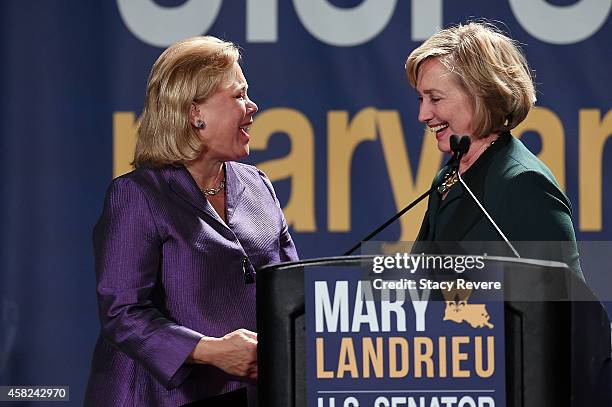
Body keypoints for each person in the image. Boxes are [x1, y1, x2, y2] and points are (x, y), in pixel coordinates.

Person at [85, 36, 298, 406]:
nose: (252, 106)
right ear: (193, 111)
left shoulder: (258, 185)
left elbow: (291, 289)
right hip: (164, 397)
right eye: (237, 95)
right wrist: (209, 350)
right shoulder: (138, 195)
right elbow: (124, 313)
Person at [405, 21, 582, 276]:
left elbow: (568, 302)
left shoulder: (524, 183)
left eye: (435, 98)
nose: (423, 114)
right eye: (421, 99)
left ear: (481, 95)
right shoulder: (449, 177)